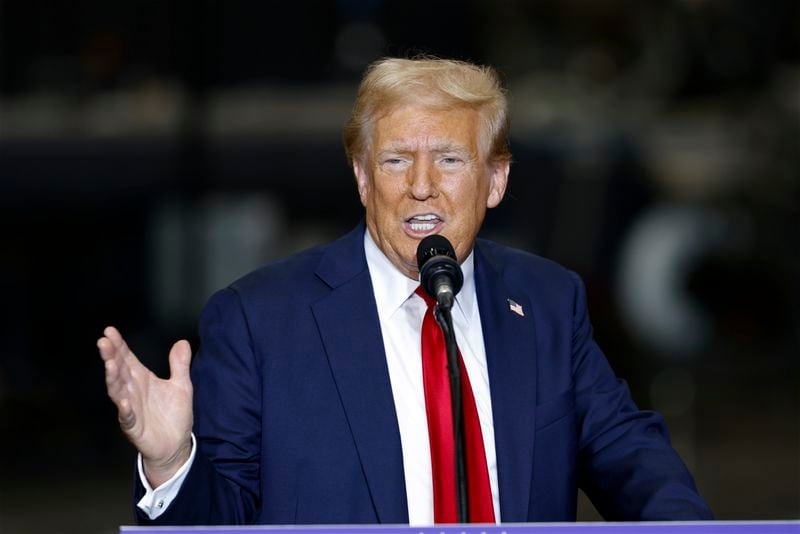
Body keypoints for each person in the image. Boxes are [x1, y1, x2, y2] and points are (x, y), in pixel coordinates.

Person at [98, 57, 712, 526]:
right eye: (395, 161)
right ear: (363, 178)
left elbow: (630, 456)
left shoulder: (548, 302)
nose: (422, 187)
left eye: (448, 159)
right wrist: (173, 463)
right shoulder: (258, 321)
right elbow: (217, 525)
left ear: (495, 180)